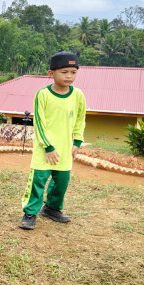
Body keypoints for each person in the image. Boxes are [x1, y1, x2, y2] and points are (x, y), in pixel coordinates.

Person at [19, 51, 87, 230]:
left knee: (61, 182)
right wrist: (48, 147)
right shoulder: (43, 95)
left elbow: (81, 118)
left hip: (65, 148)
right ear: (51, 73)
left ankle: (52, 208)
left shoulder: (78, 95)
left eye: (73, 72)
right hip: (45, 149)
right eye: (64, 72)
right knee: (38, 182)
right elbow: (39, 123)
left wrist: (77, 141)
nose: (69, 76)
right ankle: (30, 213)